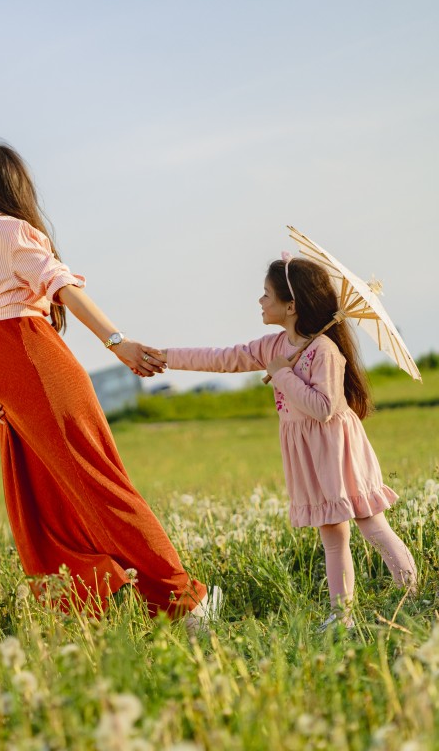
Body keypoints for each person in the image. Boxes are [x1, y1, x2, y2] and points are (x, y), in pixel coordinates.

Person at [0, 140, 220, 627]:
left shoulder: (7, 231)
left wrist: (117, 342)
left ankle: (185, 603)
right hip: (14, 398)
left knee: (97, 487)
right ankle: (98, 600)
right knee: (39, 504)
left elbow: (60, 285)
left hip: (40, 376)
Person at [151, 255, 418, 629]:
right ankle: (341, 616)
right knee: (332, 534)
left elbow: (322, 408)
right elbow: (223, 358)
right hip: (309, 453)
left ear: (291, 305)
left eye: (266, 295)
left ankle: (411, 591)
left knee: (369, 522)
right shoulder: (274, 345)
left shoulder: (325, 351)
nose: (260, 302)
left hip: (338, 450)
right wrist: (165, 358)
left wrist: (282, 376)